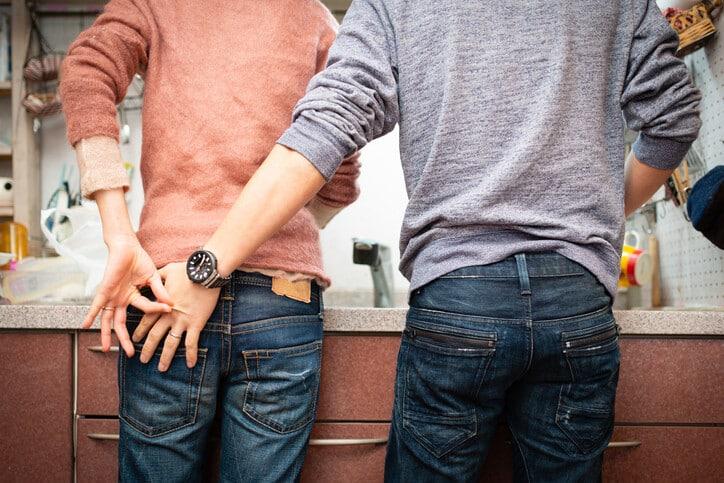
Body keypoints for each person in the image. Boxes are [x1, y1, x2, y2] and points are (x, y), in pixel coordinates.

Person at [144, 0, 702, 481]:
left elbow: (322, 133)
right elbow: (674, 116)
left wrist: (208, 264)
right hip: (578, 302)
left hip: (459, 300)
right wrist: (600, 219)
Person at [59, 0, 360, 481]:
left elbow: (85, 71)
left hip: (165, 290)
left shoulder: (153, 5)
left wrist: (119, 233)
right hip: (280, 299)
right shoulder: (317, 19)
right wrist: (289, 232)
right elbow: (339, 168)